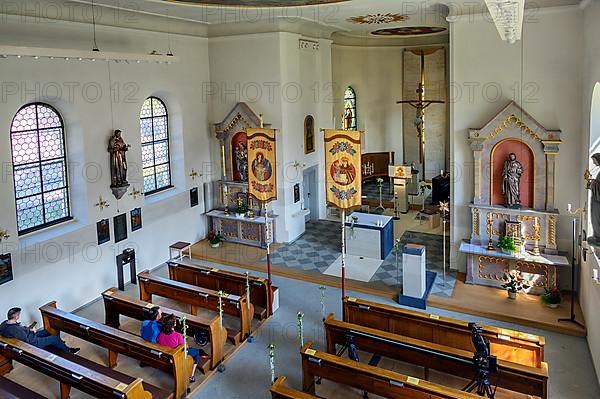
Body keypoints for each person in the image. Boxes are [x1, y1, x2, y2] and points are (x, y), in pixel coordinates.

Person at [0, 307, 79, 354]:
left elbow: (15, 331)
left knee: (46, 331)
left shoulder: (4, 324)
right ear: (16, 317)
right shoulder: (16, 329)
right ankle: (69, 351)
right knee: (55, 338)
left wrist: (27, 329)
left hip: (28, 335)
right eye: (19, 315)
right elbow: (26, 341)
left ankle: (59, 345)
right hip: (33, 342)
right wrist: (31, 331)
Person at [157, 314, 208, 383]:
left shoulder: (160, 335)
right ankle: (191, 376)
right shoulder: (177, 335)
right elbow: (185, 348)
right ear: (173, 324)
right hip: (178, 356)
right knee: (196, 353)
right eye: (175, 321)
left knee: (194, 350)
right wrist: (185, 342)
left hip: (168, 354)